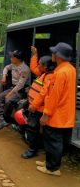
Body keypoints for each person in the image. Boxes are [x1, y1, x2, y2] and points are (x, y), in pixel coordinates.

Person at [36, 42, 76, 176]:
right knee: (56, 141)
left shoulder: (60, 73)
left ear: (58, 56)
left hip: (56, 115)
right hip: (65, 113)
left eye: (54, 52)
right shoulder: (70, 69)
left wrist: (46, 114)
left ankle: (52, 168)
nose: (52, 54)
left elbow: (54, 96)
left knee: (53, 141)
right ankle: (50, 162)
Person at [21, 47, 56, 159]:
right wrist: (34, 55)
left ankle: (32, 150)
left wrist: (33, 105)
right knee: (33, 128)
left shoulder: (50, 78)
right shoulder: (44, 74)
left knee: (33, 129)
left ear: (45, 67)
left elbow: (43, 94)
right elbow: (33, 68)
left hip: (39, 109)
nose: (38, 66)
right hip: (35, 107)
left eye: (40, 64)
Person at [0, 50, 30, 131]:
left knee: (8, 100)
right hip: (13, 88)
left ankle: (7, 119)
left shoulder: (25, 69)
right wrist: (4, 76)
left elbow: (20, 85)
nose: (11, 58)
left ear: (18, 59)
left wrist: (10, 93)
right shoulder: (14, 64)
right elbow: (6, 67)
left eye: (12, 57)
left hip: (21, 90)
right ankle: (2, 119)